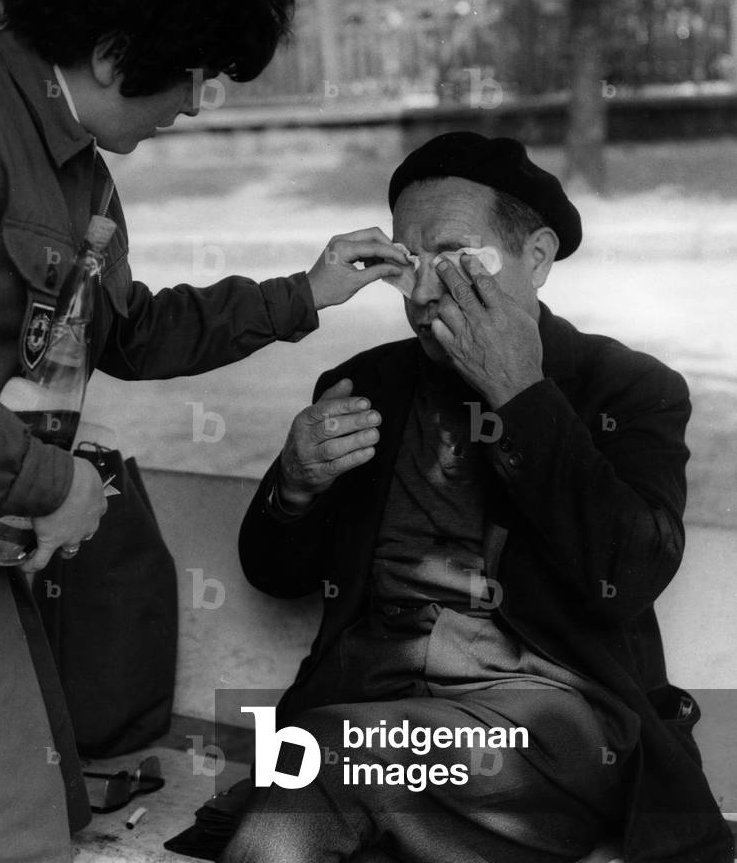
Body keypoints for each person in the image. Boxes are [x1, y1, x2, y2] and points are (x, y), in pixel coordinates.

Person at [0, 0, 407, 863]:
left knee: (41, 806)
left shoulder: (76, 160)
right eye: (197, 76)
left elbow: (122, 332)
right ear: (116, 51)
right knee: (2, 834)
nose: (200, 104)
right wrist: (53, 483)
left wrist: (303, 293)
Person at [226, 132, 734, 863]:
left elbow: (629, 573)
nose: (427, 294)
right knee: (330, 771)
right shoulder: (369, 381)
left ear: (534, 259)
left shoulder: (626, 388)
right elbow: (278, 575)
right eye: (409, 265)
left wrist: (520, 394)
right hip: (380, 705)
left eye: (458, 258)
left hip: (550, 718)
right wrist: (295, 488)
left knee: (320, 768)